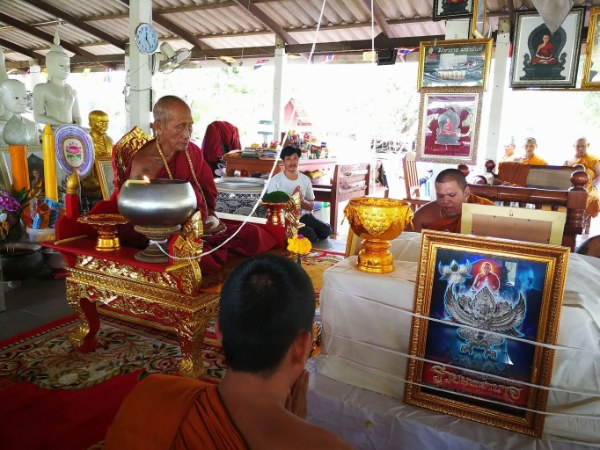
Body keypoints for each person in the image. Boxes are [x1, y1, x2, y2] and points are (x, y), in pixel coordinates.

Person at [104, 254, 352, 450]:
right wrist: (294, 426)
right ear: (301, 347)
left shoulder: (152, 397)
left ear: (219, 331)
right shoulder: (328, 446)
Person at [127, 95, 277, 273]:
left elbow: (206, 189)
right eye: (180, 127)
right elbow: (139, 214)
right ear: (159, 127)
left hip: (198, 224)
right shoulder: (145, 164)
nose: (187, 134)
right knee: (200, 258)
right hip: (159, 233)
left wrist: (211, 217)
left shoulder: (191, 151)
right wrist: (185, 230)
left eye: (190, 125)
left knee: (253, 233)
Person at [266, 146, 331, 243]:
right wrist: (293, 199)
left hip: (303, 216)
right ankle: (305, 234)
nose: (292, 162)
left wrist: (301, 200)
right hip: (286, 220)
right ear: (283, 161)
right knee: (310, 235)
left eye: (295, 158)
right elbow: (272, 208)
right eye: (288, 159)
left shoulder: (305, 179)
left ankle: (309, 232)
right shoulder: (275, 181)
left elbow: (311, 206)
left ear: (298, 160)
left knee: (326, 230)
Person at [410, 168, 494, 233]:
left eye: (452, 195)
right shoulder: (422, 216)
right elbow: (408, 242)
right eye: (440, 196)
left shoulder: (487, 210)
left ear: (466, 192)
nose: (445, 201)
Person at [32, 32, 81, 126]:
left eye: (68, 66)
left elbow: (77, 116)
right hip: (53, 132)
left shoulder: (71, 90)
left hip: (71, 133)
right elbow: (38, 116)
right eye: (61, 65)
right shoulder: (41, 88)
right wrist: (60, 124)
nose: (66, 69)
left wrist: (76, 127)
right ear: (50, 66)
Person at [0, 79, 38, 147]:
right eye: (16, 98)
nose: (22, 101)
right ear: (2, 96)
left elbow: (35, 151)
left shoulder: (31, 125)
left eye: (25, 98)